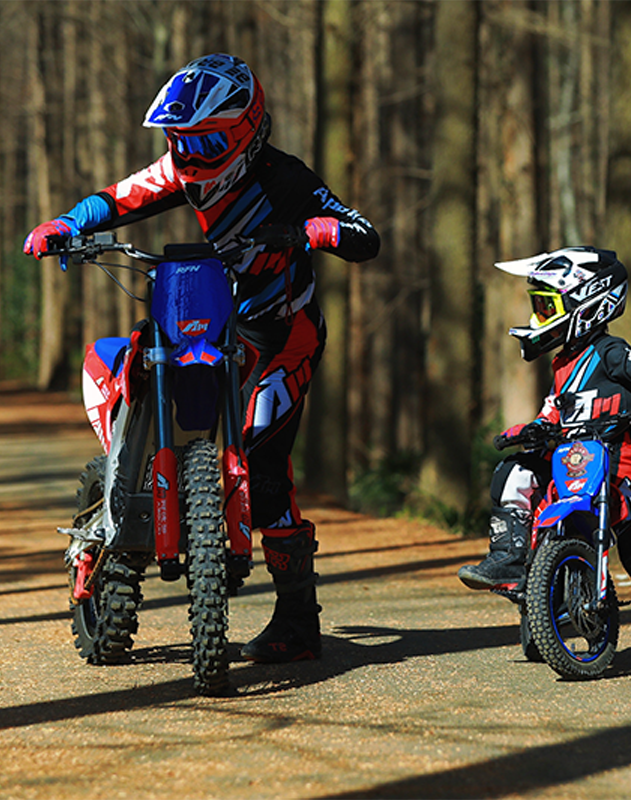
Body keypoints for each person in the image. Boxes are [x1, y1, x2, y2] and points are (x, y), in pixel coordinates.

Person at [23, 54, 380, 664]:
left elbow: (364, 235)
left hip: (285, 335)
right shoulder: (182, 169)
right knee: (149, 355)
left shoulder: (285, 179)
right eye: (181, 141)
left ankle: (298, 621)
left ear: (246, 132)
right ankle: (130, 500)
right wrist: (66, 222)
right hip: (221, 318)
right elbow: (120, 197)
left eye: (207, 141)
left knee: (263, 466)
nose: (191, 155)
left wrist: (311, 232)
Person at [457, 246, 631, 670]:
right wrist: (534, 427)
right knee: (515, 472)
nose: (540, 315)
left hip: (618, 462)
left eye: (547, 306)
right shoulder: (562, 364)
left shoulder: (610, 351)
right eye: (538, 306)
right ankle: (512, 563)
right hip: (572, 459)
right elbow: (555, 409)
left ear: (589, 303)